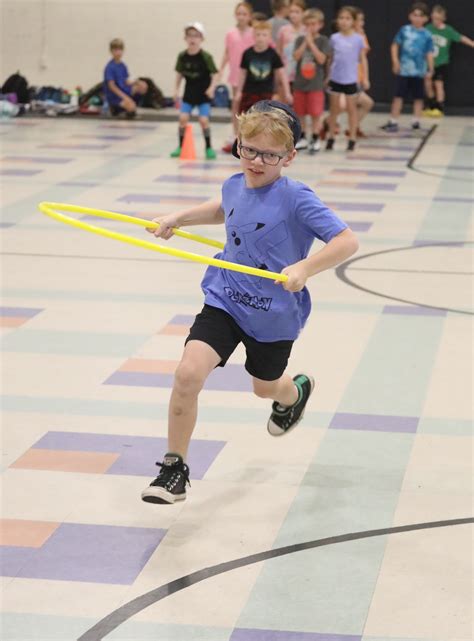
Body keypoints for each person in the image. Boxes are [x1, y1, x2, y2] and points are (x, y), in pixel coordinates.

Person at [141, 100, 359, 505]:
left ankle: (292, 393)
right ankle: (174, 469)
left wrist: (305, 268)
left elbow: (347, 240)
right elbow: (224, 210)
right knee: (188, 374)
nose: (257, 161)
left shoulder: (296, 198)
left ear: (289, 156)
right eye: (248, 149)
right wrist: (177, 218)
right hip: (225, 299)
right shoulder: (234, 183)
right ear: (238, 145)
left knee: (264, 388)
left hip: (274, 316)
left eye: (269, 155)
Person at [381, 2, 434, 133]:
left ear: (426, 18)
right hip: (404, 70)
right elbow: (395, 45)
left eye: (420, 16)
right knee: (399, 95)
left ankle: (416, 121)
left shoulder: (427, 35)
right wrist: (395, 61)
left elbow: (429, 53)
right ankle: (393, 120)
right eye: (414, 15)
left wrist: (431, 69)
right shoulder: (404, 30)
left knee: (418, 97)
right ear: (410, 16)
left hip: (419, 72)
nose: (417, 18)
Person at [172, 22, 218, 160]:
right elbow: (179, 74)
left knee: (204, 120)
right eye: (189, 36)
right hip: (189, 93)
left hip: (203, 94)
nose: (193, 39)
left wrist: (212, 88)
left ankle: (208, 147)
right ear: (185, 38)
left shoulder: (206, 57)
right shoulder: (182, 56)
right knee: (183, 118)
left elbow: (215, 74)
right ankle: (180, 146)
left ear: (201, 38)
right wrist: (175, 90)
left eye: (196, 36)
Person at [326, 6, 368, 151]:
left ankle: (352, 138)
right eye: (341, 18)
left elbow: (362, 59)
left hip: (351, 79)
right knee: (334, 110)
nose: (344, 21)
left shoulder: (358, 39)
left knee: (352, 110)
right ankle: (330, 137)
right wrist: (327, 76)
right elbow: (330, 59)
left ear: (354, 21)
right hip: (336, 78)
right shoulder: (334, 38)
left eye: (347, 18)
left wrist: (365, 78)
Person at [424, 4, 474, 117]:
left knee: (438, 84)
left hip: (441, 63)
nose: (435, 21)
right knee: (427, 83)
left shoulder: (448, 30)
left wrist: (471, 43)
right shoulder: (428, 29)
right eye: (434, 18)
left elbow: (460, 38)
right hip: (428, 63)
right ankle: (431, 104)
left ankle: (439, 107)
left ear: (443, 19)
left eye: (438, 19)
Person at [218, 2, 255, 154]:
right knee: (236, 104)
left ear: (250, 16)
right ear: (235, 15)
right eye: (239, 13)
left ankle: (251, 135)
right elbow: (227, 52)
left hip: (251, 75)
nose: (241, 16)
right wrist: (220, 69)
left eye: (244, 14)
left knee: (250, 105)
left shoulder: (254, 32)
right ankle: (236, 134)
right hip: (235, 73)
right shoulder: (230, 33)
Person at [292, 8, 331, 153]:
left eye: (313, 24)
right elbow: (296, 57)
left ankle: (315, 138)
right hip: (300, 83)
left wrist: (312, 44)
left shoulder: (323, 40)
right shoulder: (299, 40)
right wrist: (305, 43)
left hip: (315, 84)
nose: (310, 28)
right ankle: (302, 137)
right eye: (307, 24)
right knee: (300, 113)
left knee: (315, 113)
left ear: (320, 24)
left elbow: (321, 59)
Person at [235, 20, 292, 115]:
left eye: (264, 35)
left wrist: (287, 92)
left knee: (264, 119)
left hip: (266, 93)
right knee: (247, 117)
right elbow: (242, 73)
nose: (261, 38)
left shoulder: (273, 54)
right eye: (258, 35)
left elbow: (282, 74)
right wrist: (238, 91)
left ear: (269, 37)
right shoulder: (247, 53)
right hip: (249, 92)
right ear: (253, 36)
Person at [103, 38, 145, 117]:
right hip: (115, 96)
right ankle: (115, 108)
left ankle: (130, 104)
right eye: (115, 50)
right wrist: (125, 97)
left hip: (124, 90)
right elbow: (112, 87)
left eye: (120, 50)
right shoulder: (109, 67)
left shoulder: (123, 65)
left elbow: (126, 81)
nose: (118, 52)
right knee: (131, 107)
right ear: (111, 51)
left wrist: (137, 82)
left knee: (143, 86)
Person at [277, 0, 306, 86]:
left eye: (297, 12)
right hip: (286, 74)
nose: (293, 15)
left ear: (303, 13)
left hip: (303, 75)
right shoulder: (283, 30)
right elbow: (278, 52)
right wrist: (279, 73)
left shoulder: (307, 31)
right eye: (291, 12)